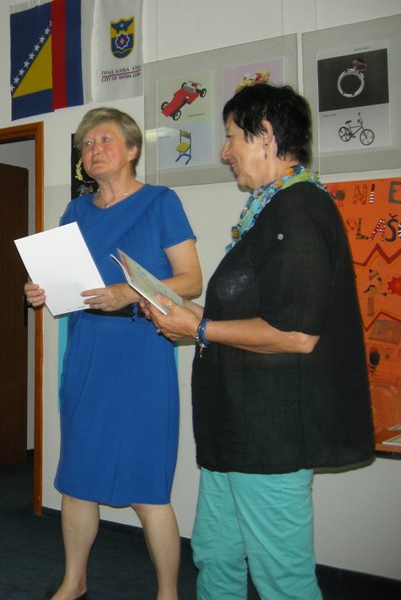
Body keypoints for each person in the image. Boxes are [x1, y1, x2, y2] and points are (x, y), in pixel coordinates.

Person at [142, 84, 375, 600]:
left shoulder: (299, 212)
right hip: (234, 430)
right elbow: (250, 314)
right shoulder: (270, 211)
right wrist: (189, 315)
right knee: (216, 556)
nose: (225, 151)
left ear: (265, 135)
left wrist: (199, 329)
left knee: (281, 579)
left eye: (231, 137)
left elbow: (296, 334)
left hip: (270, 436)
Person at [25, 107, 202, 600]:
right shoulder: (76, 211)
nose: (93, 149)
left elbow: (191, 279)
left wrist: (129, 292)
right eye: (86, 144)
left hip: (142, 350)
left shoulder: (161, 202)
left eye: (104, 140)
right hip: (87, 349)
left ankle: (167, 592)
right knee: (78, 477)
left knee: (147, 485)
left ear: (132, 149)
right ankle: (74, 580)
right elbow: (61, 280)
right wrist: (39, 290)